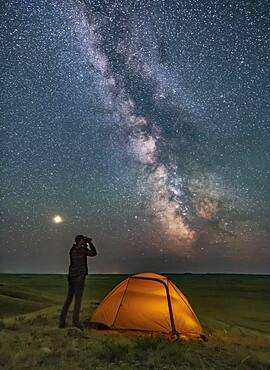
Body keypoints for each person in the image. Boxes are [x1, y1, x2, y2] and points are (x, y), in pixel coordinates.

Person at [59, 234, 97, 329]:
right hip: (79, 277)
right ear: (79, 241)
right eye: (83, 240)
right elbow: (94, 253)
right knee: (78, 300)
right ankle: (75, 322)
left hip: (71, 276)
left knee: (69, 299)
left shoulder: (73, 249)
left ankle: (62, 322)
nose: (84, 241)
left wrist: (85, 244)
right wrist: (90, 243)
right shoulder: (81, 250)